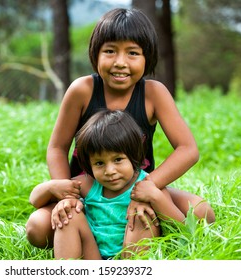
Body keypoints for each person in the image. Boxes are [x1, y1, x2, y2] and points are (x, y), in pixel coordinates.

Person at [26, 7, 215, 249]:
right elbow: (57, 148)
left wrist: (147, 188)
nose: (120, 63)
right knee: (37, 228)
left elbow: (188, 149)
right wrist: (68, 196)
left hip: (136, 187)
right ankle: (86, 233)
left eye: (133, 53)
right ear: (95, 55)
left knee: (203, 212)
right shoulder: (82, 90)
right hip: (89, 191)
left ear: (148, 58)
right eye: (110, 51)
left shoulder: (153, 94)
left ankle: (142, 229)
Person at [30, 110, 186, 259]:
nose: (110, 171)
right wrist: (51, 187)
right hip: (93, 258)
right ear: (89, 165)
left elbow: (182, 229)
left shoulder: (148, 187)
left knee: (143, 213)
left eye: (118, 160)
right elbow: (35, 200)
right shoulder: (88, 185)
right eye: (99, 163)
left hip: (132, 258)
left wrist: (155, 197)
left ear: (134, 155)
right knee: (68, 213)